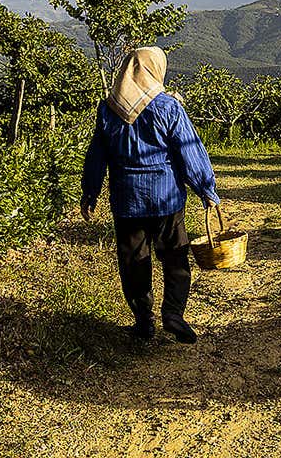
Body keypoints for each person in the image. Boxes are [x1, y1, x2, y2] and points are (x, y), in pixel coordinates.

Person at [81, 46, 219, 343]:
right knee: (175, 256)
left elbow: (96, 155)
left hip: (126, 199)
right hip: (165, 197)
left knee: (133, 261)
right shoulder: (169, 107)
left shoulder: (108, 109)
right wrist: (206, 189)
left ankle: (143, 321)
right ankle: (173, 314)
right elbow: (189, 150)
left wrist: (89, 193)